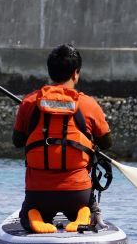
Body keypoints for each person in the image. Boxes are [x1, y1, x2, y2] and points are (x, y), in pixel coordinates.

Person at [12, 44, 112, 233]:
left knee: (28, 213)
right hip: (78, 193)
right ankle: (83, 214)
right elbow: (107, 143)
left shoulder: (29, 102)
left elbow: (18, 141)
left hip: (38, 193)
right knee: (88, 208)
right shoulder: (89, 104)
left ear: (50, 72)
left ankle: (33, 215)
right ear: (76, 73)